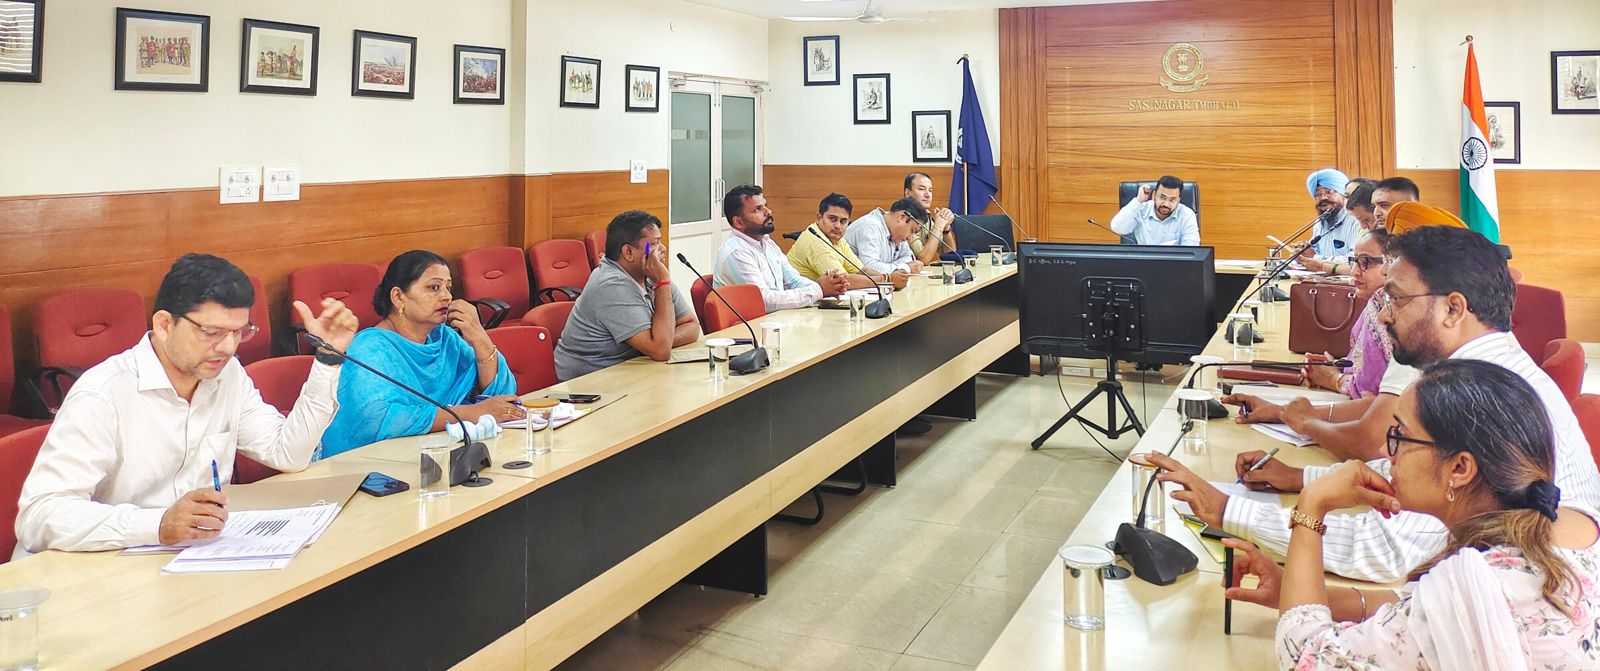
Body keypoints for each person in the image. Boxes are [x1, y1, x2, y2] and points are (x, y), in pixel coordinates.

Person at [1157, 226, 1600, 582]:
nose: (1385, 314)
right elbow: (1413, 466)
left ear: (1453, 309)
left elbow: (1386, 551)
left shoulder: (1477, 398)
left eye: (1397, 299)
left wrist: (1227, 510)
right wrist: (1300, 476)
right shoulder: (1489, 368)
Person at [1222, 360, 1600, 669]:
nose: (1386, 453)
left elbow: (1305, 656)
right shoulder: (1573, 524)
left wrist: (1312, 504)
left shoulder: (1475, 588)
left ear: (1460, 468)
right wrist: (1299, 591)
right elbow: (1416, 612)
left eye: (1400, 437)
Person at [14, 254, 359, 554]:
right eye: (212, 333)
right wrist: (158, 524)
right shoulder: (103, 394)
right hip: (96, 569)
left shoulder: (228, 376)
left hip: (186, 559)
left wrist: (327, 359)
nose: (228, 348)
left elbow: (287, 454)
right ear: (164, 325)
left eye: (239, 332)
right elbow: (40, 516)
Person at [319, 250, 520, 458]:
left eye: (448, 287)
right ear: (398, 297)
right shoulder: (369, 348)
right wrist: (472, 412)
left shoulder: (444, 337)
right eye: (434, 288)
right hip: (374, 462)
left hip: (445, 452)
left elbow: (502, 398)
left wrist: (480, 339)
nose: (447, 296)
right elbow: (375, 419)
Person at [555, 210, 700, 380]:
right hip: (589, 380)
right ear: (628, 252)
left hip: (629, 370)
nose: (663, 249)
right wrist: (663, 283)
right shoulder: (611, 285)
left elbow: (691, 326)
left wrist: (663, 340)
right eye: (654, 244)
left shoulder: (650, 273)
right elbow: (661, 351)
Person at [714, 184, 848, 311]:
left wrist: (827, 286)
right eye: (757, 209)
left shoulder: (767, 243)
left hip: (775, 319)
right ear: (738, 222)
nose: (768, 212)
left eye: (765, 206)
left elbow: (793, 281)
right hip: (750, 324)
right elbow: (765, 301)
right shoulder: (737, 252)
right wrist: (819, 289)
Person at [1304, 229, 1392, 399]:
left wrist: (1333, 378)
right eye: (1354, 261)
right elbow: (1360, 367)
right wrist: (1336, 366)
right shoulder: (1376, 302)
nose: (1354, 272)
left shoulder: (1392, 310)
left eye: (1365, 262)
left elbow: (1372, 395)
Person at [786, 193, 902, 290]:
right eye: (832, 219)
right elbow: (842, 280)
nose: (838, 226)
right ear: (818, 217)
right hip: (797, 303)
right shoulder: (815, 241)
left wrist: (888, 278)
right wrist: (888, 279)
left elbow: (861, 270)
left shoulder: (837, 239)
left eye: (843, 221)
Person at [1294, 169, 1361, 274]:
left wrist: (1316, 258)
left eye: (1329, 192)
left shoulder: (1355, 219)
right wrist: (1303, 252)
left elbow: (1355, 260)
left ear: (1343, 194)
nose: (1323, 198)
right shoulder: (1319, 222)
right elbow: (1315, 252)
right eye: (1318, 194)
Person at [843, 197, 926, 276]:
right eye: (912, 230)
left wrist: (894, 268)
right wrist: (905, 268)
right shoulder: (870, 226)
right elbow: (869, 268)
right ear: (902, 217)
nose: (909, 238)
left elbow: (909, 258)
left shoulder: (897, 233)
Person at [1108, 175, 1198, 246]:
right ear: (1154, 195)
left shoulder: (1187, 215)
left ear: (1178, 200)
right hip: (1143, 261)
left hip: (1175, 262)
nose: (1166, 204)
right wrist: (1138, 201)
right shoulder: (1141, 209)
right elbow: (1117, 228)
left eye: (1172, 200)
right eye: (1162, 197)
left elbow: (1191, 247)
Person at [901, 172, 958, 265]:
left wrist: (946, 228)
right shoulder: (904, 218)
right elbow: (923, 259)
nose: (928, 195)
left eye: (930, 190)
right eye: (921, 189)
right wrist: (939, 225)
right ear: (908, 193)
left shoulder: (927, 217)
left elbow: (951, 256)